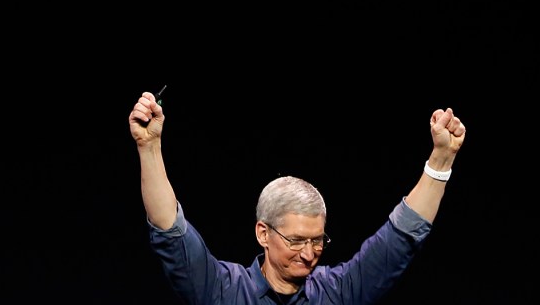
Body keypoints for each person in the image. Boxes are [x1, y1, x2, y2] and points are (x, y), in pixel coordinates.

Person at [128, 91, 467, 305]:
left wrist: (440, 161)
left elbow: (401, 238)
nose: (309, 254)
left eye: (318, 241)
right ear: (263, 233)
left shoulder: (338, 292)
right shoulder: (222, 291)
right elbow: (170, 232)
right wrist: (149, 147)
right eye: (296, 240)